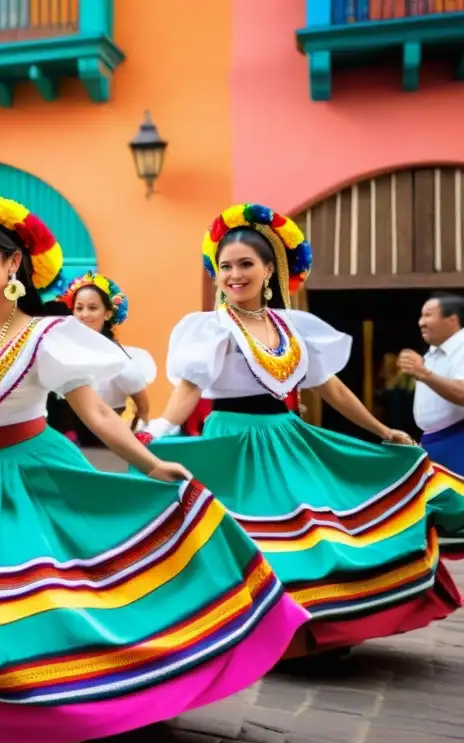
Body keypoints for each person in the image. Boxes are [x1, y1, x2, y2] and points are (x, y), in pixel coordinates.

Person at [0, 193, 308, 743]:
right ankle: (2, 710)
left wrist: (152, 463)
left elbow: (94, 414)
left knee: (48, 599)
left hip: (39, 475)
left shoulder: (48, 335)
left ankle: (72, 704)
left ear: (13, 264)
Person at [138, 204, 464, 660]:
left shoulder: (292, 328)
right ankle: (255, 631)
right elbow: (189, 388)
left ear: (269, 269)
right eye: (225, 266)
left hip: (286, 438)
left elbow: (329, 386)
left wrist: (382, 429)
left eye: (246, 264)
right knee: (251, 539)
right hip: (233, 443)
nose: (234, 274)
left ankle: (316, 627)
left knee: (317, 535)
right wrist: (160, 431)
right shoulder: (208, 328)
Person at [54, 271, 156, 443]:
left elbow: (143, 408)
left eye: (92, 308)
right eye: (79, 308)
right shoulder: (63, 351)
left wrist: (136, 434)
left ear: (107, 314)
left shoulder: (118, 358)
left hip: (106, 444)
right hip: (66, 442)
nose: (84, 314)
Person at [399, 293, 464, 478]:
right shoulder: (431, 353)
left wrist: (424, 374)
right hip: (432, 442)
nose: (421, 322)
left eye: (428, 315)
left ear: (451, 320)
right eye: (421, 316)